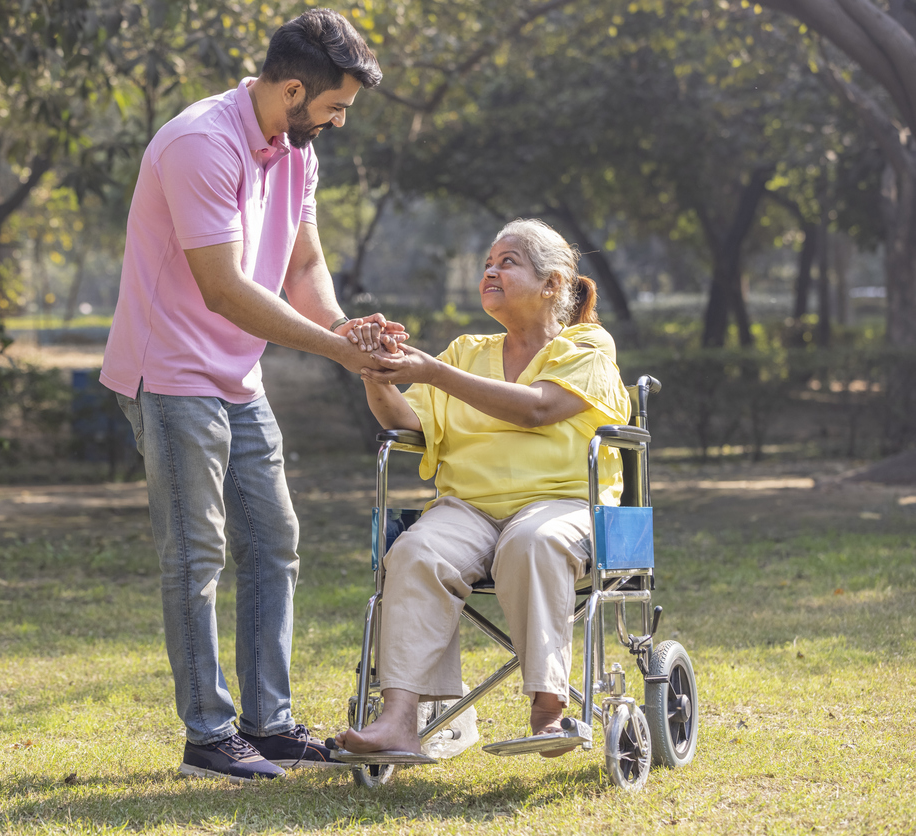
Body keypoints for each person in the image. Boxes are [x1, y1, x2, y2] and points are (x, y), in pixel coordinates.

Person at [101, 9, 401, 783]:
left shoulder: (294, 149)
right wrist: (337, 352)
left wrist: (347, 327)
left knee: (272, 541)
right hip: (169, 374)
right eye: (334, 107)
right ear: (293, 89)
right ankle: (209, 735)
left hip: (236, 376)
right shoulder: (201, 142)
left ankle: (268, 726)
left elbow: (303, 267)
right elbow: (225, 289)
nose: (336, 123)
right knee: (195, 553)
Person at [333, 218, 631, 759]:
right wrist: (377, 372)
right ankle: (399, 719)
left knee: (533, 542)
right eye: (488, 262)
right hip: (468, 509)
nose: (491, 270)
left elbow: (539, 408)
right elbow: (409, 422)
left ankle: (549, 711)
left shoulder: (588, 347)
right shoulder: (466, 351)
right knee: (416, 550)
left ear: (554, 284)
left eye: (508, 261)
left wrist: (431, 372)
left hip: (562, 506)